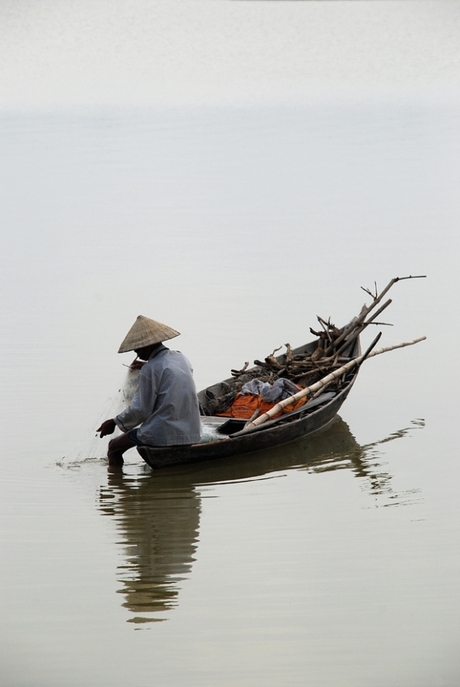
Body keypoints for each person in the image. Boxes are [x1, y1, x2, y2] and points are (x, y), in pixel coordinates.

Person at [97, 315, 201, 466]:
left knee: (114, 447)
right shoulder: (180, 358)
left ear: (148, 345)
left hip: (163, 432)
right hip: (192, 432)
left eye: (138, 349)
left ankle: (115, 486)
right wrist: (145, 366)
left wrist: (114, 422)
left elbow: (140, 410)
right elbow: (171, 377)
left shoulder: (151, 369)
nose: (137, 354)